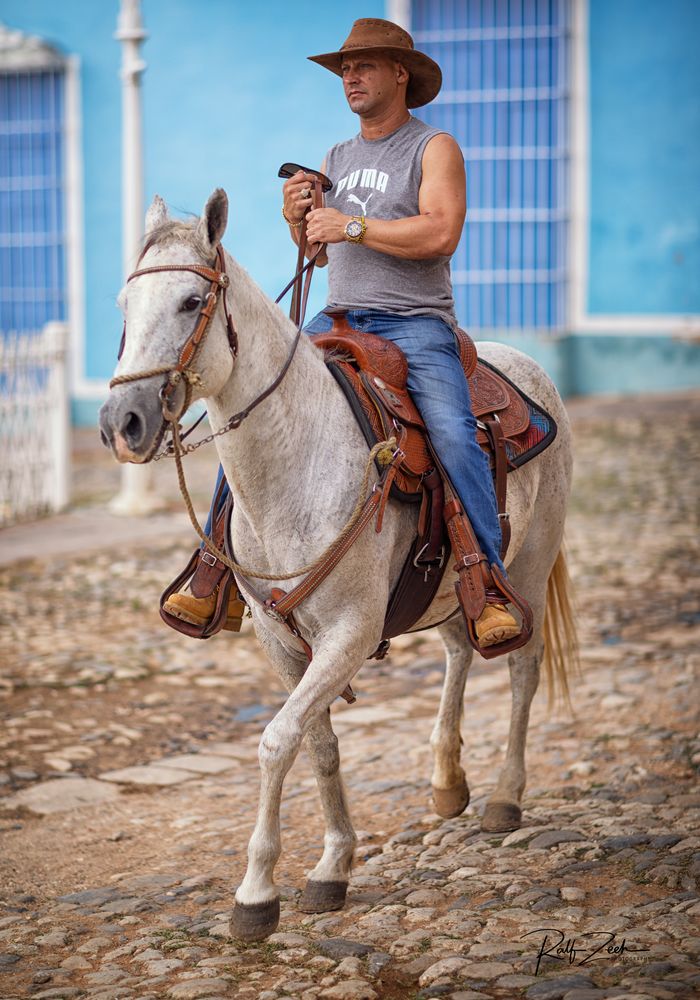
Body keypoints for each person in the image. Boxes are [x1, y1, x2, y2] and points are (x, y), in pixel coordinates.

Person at [165, 17, 519, 648]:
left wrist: (349, 225)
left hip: (415, 327)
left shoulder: (432, 147)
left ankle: (483, 582)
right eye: (345, 70)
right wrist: (297, 221)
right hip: (337, 321)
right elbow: (319, 256)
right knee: (249, 408)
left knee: (454, 437)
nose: (350, 77)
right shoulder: (336, 157)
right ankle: (215, 565)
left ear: (400, 74)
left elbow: (442, 232)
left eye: (364, 66)